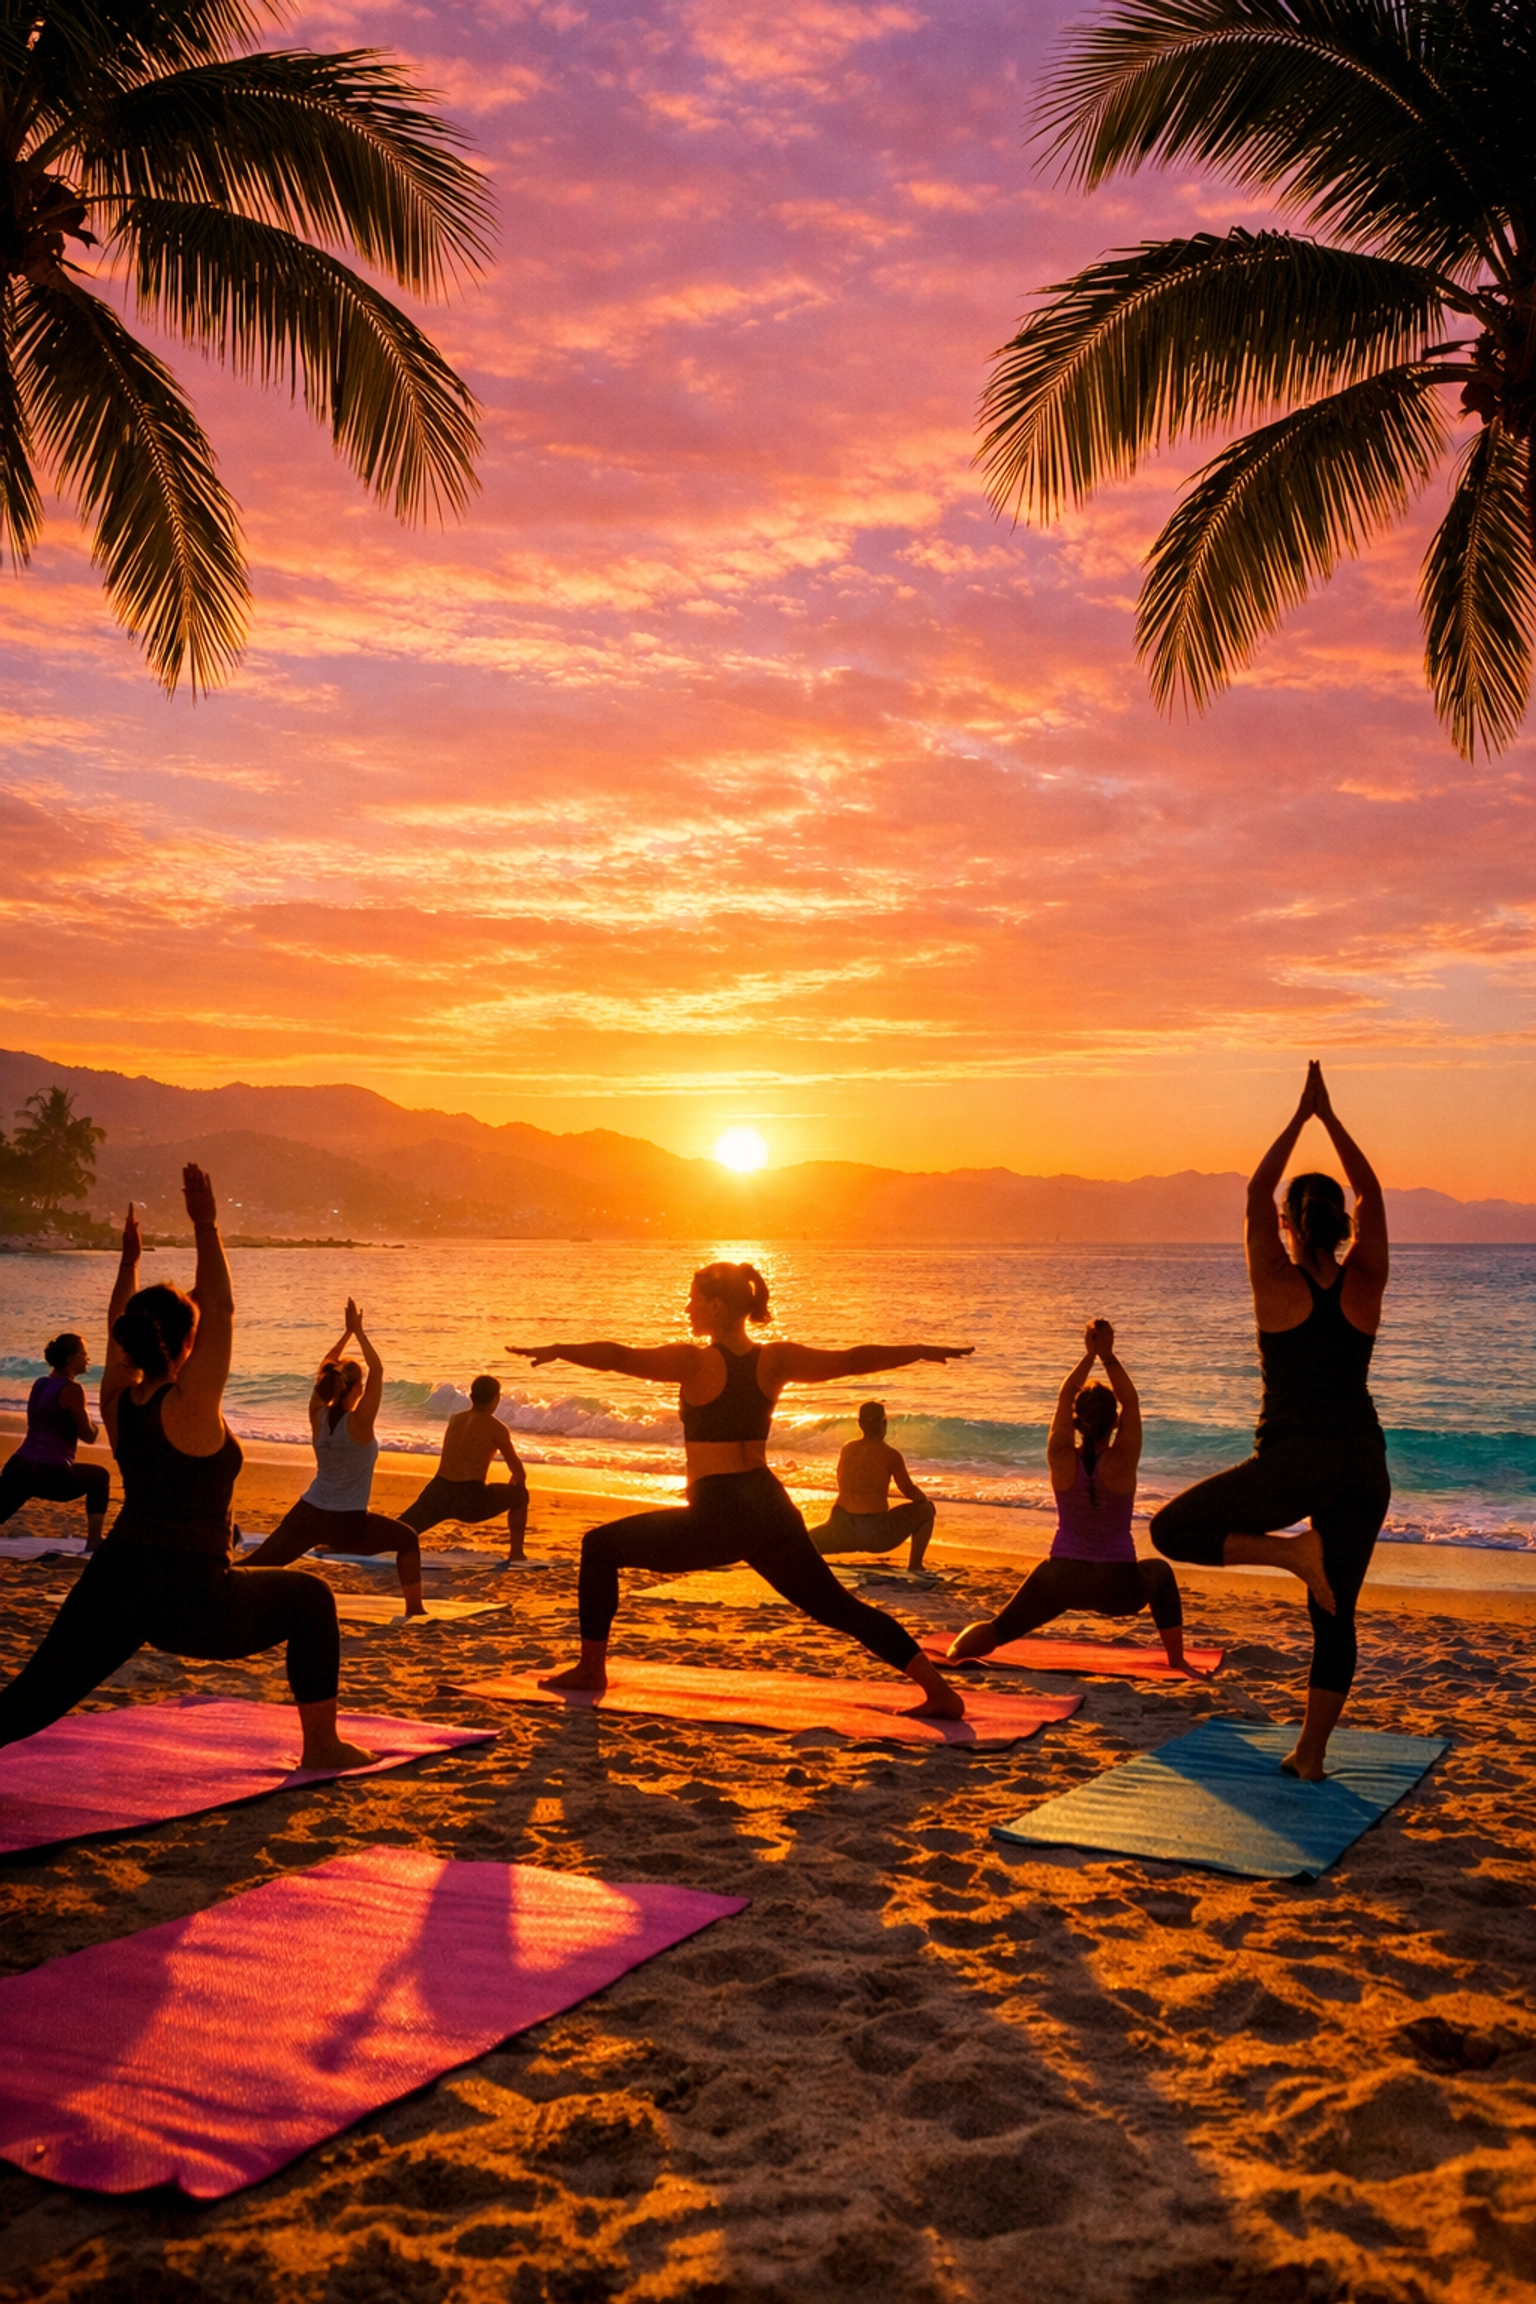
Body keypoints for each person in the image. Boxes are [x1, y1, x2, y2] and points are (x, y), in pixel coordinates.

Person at [0, 1177, 370, 1769]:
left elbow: (123, 1325)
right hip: (193, 1600)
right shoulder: (189, 1405)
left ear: (131, 1342)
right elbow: (220, 1309)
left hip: (116, 1579)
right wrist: (205, 1224)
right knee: (312, 1598)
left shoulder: (118, 1400)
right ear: (187, 1339)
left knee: (25, 1702)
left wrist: (130, 1262)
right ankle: (322, 1748)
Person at [508, 1260, 973, 1718]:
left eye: (693, 1300)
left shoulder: (694, 1362)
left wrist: (559, 1349)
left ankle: (592, 1669)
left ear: (715, 1306)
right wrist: (917, 1350)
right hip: (769, 1507)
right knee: (840, 1608)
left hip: (718, 1514)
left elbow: (619, 1358)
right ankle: (940, 1692)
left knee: (599, 1547)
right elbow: (852, 1360)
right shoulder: (775, 1360)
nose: (687, 1308)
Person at [1149, 1061, 1391, 1779]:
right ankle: (1310, 1755)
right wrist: (1330, 1118)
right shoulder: (1366, 1279)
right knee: (1335, 1615)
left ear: (1287, 1224)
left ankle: (1290, 1555)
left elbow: (1256, 1192)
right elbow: (1373, 1192)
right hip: (1364, 1464)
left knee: (1171, 1530)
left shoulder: (1275, 1280)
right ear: (1343, 1225)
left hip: (1294, 1464)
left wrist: (1300, 1116)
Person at [945, 1321, 1200, 1674]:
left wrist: (1089, 1355)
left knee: (1000, 1627)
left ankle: (951, 1656)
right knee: (1162, 1574)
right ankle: (1177, 1661)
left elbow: (1065, 1397)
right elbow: (1131, 1401)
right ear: (1115, 1423)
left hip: (1061, 1579)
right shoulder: (1123, 1460)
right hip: (1117, 1585)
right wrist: (1107, 1356)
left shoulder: (1060, 1456)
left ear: (1076, 1422)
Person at [245, 1304, 425, 1616]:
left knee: (261, 1561)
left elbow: (325, 1368)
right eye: (361, 1384)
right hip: (348, 1524)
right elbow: (378, 1370)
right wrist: (359, 1332)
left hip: (309, 1512)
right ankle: (415, 1609)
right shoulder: (359, 1422)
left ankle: (212, 1583)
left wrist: (346, 1333)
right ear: (357, 1388)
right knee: (407, 1539)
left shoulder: (317, 1414)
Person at [398, 1375, 531, 1564]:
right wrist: (516, 1483)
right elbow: (518, 1471)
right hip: (469, 1499)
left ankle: (367, 1546)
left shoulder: (456, 1419)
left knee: (401, 1530)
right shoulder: (497, 1428)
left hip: (437, 1491)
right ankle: (517, 1554)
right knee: (521, 1496)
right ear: (496, 1398)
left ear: (471, 1396)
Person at [0, 1333, 111, 1550]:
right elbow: (88, 1436)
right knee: (101, 1477)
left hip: (19, 1467)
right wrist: (98, 1423)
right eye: (84, 1353)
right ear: (70, 1358)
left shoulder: (40, 1383)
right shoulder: (73, 1389)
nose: (88, 1358)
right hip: (52, 1474)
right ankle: (94, 1541)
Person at [808, 1400, 936, 1571]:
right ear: (884, 1423)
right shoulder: (890, 1455)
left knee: (803, 1543)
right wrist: (923, 1500)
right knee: (927, 1510)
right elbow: (908, 1490)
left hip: (839, 1529)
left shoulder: (848, 1449)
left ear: (860, 1424)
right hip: (875, 1534)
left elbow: (841, 1481)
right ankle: (915, 1565)